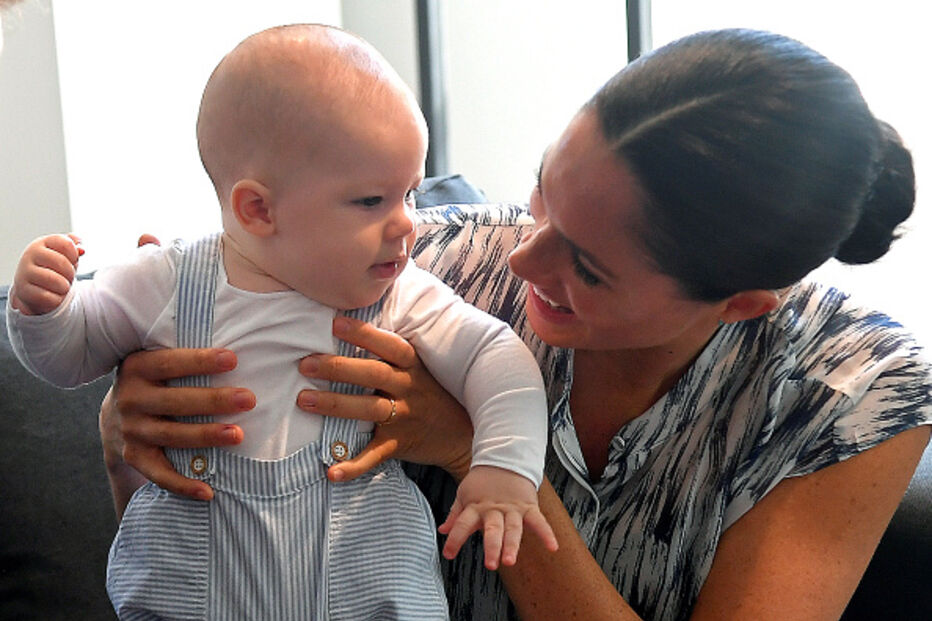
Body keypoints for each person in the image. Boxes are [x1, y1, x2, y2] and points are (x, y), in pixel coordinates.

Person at [99, 28, 931, 620]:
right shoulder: (427, 259)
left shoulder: (854, 391)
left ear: (743, 299)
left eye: (589, 267)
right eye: (544, 194)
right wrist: (132, 413)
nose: (524, 260)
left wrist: (475, 448)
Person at [6, 23, 557, 619]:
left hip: (365, 593)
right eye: (372, 201)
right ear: (258, 209)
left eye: (412, 194)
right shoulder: (162, 281)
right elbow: (68, 360)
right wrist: (43, 310)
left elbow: (497, 357)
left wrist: (504, 466)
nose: (408, 226)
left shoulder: (400, 293)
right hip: (192, 597)